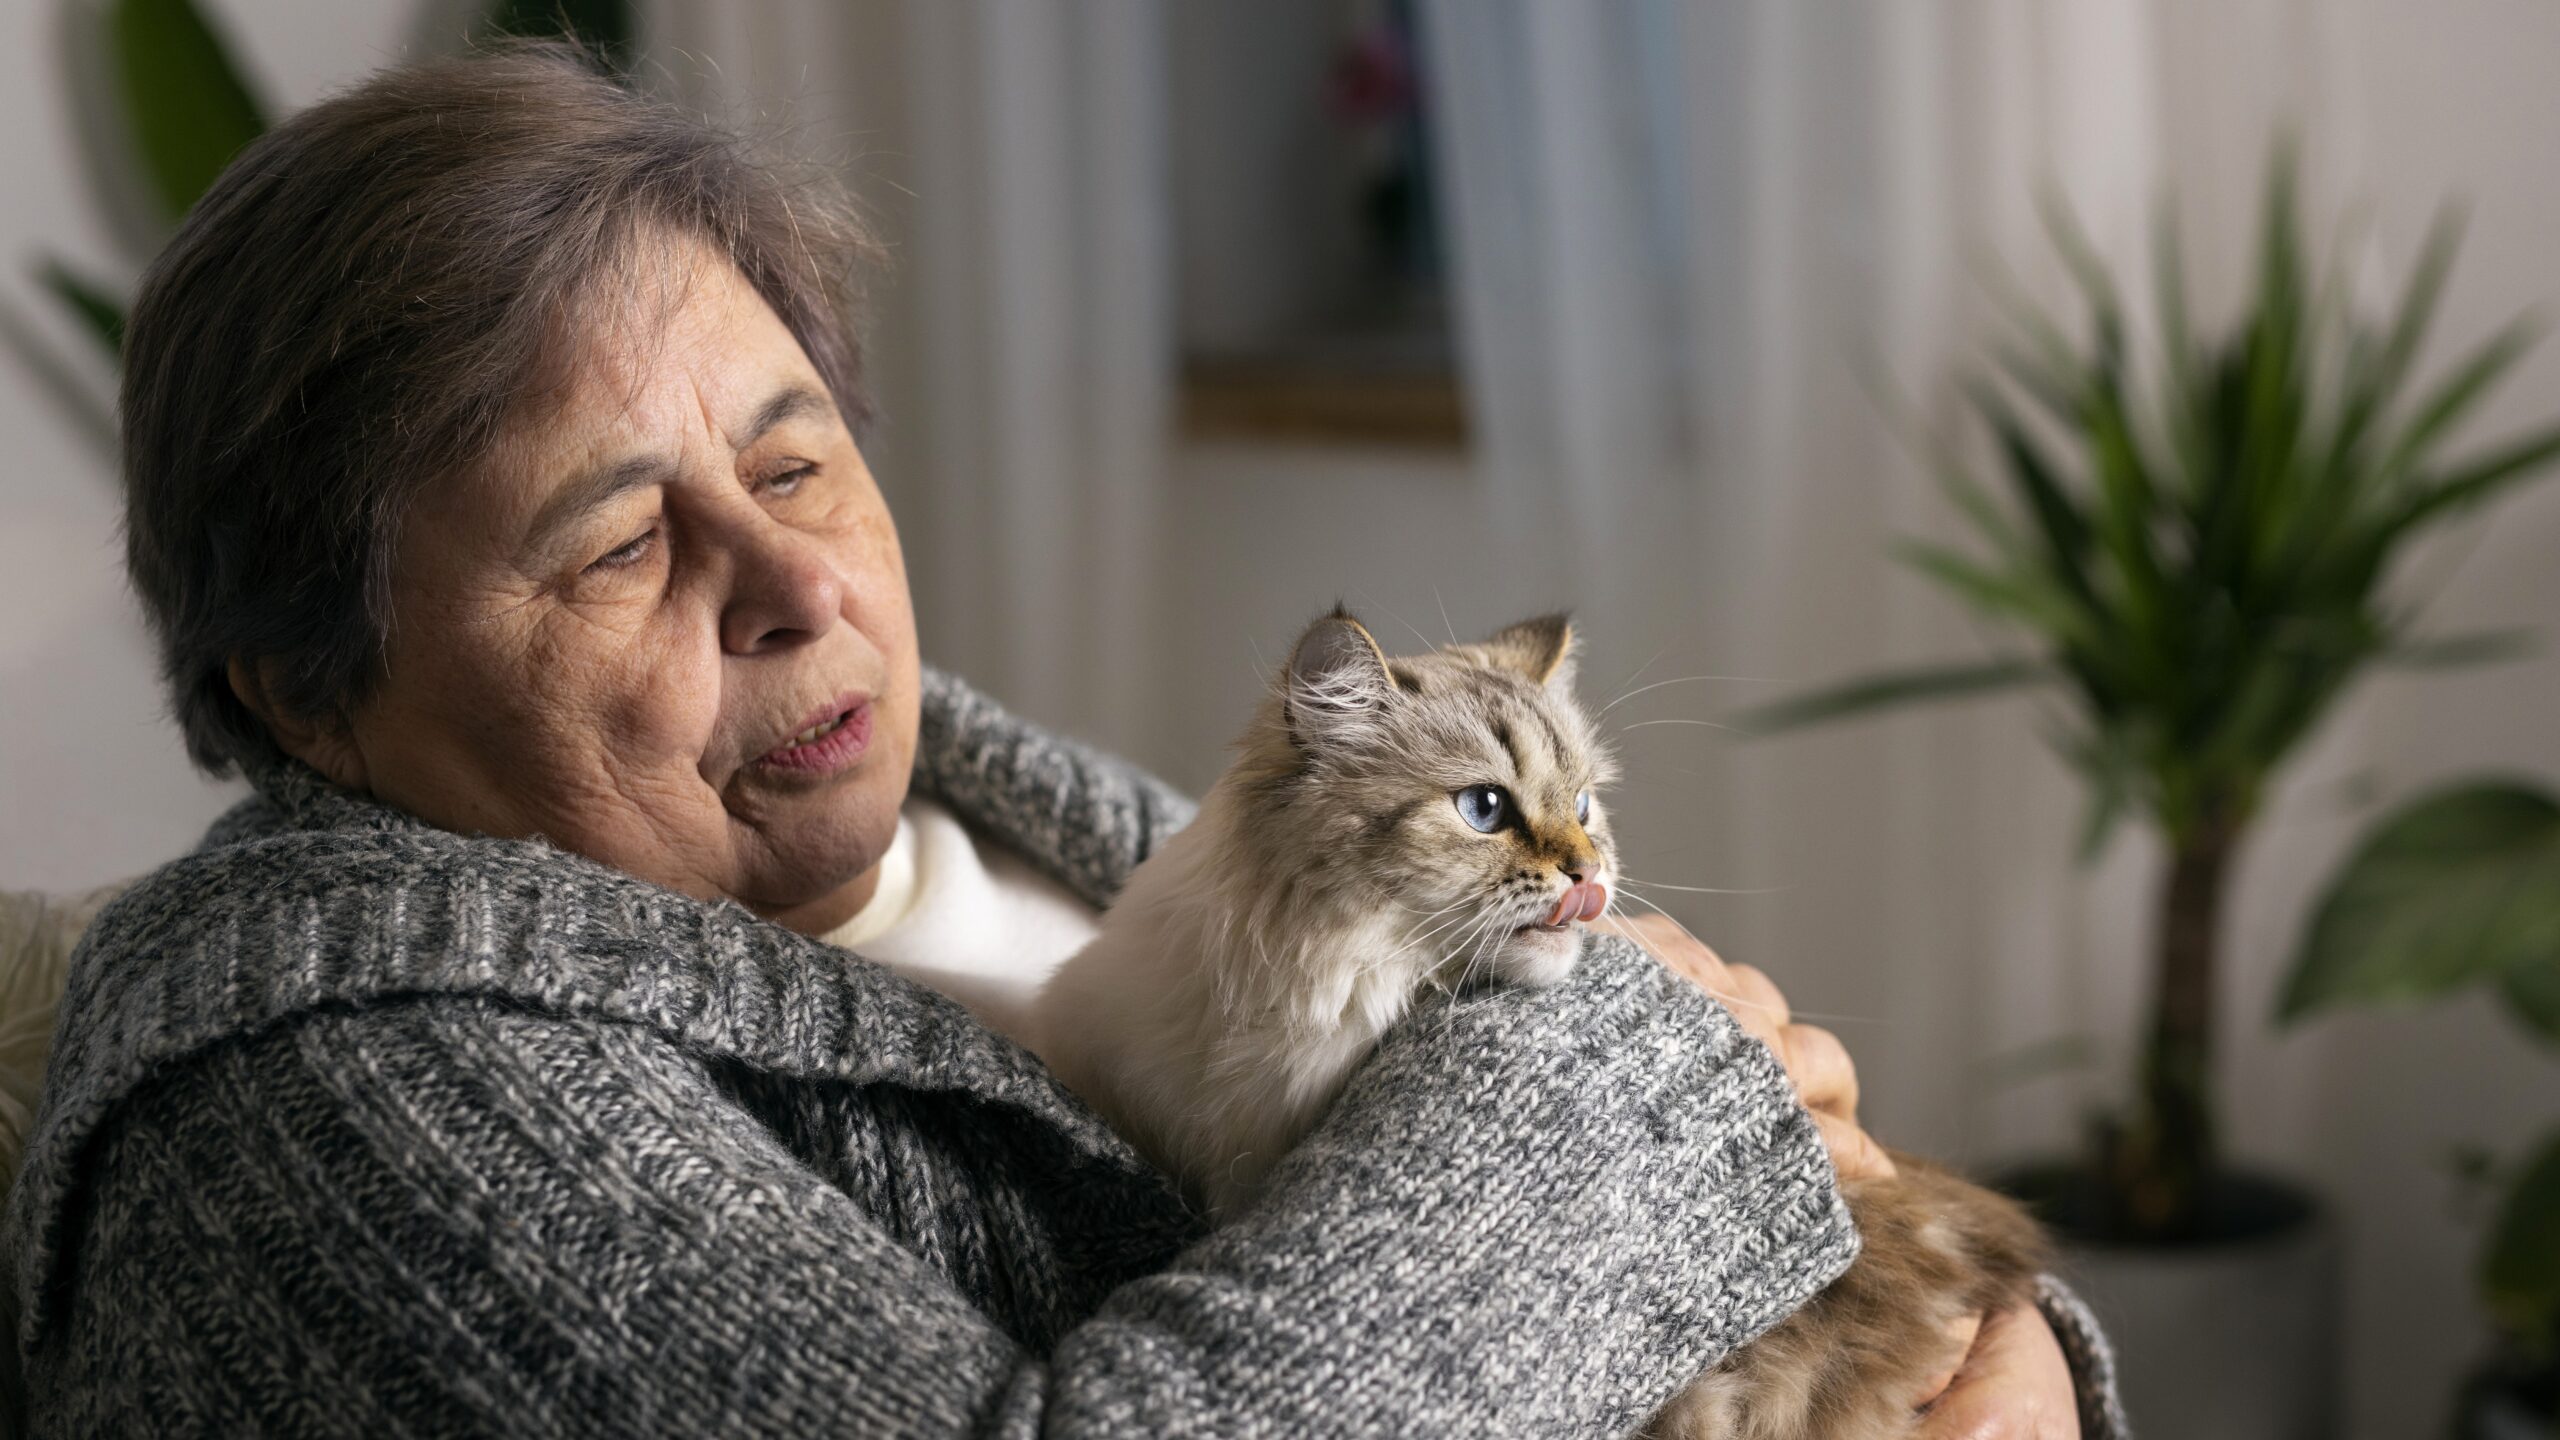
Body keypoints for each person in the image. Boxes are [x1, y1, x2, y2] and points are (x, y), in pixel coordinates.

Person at [0, 44, 2122, 1438]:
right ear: (306, 692)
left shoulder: (1032, 815)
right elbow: (1612, 1144)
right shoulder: (321, 1108)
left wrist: (2006, 1356)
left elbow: (1831, 1252)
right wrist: (1633, 1097)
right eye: (623, 544)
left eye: (796, 462)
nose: (794, 580)